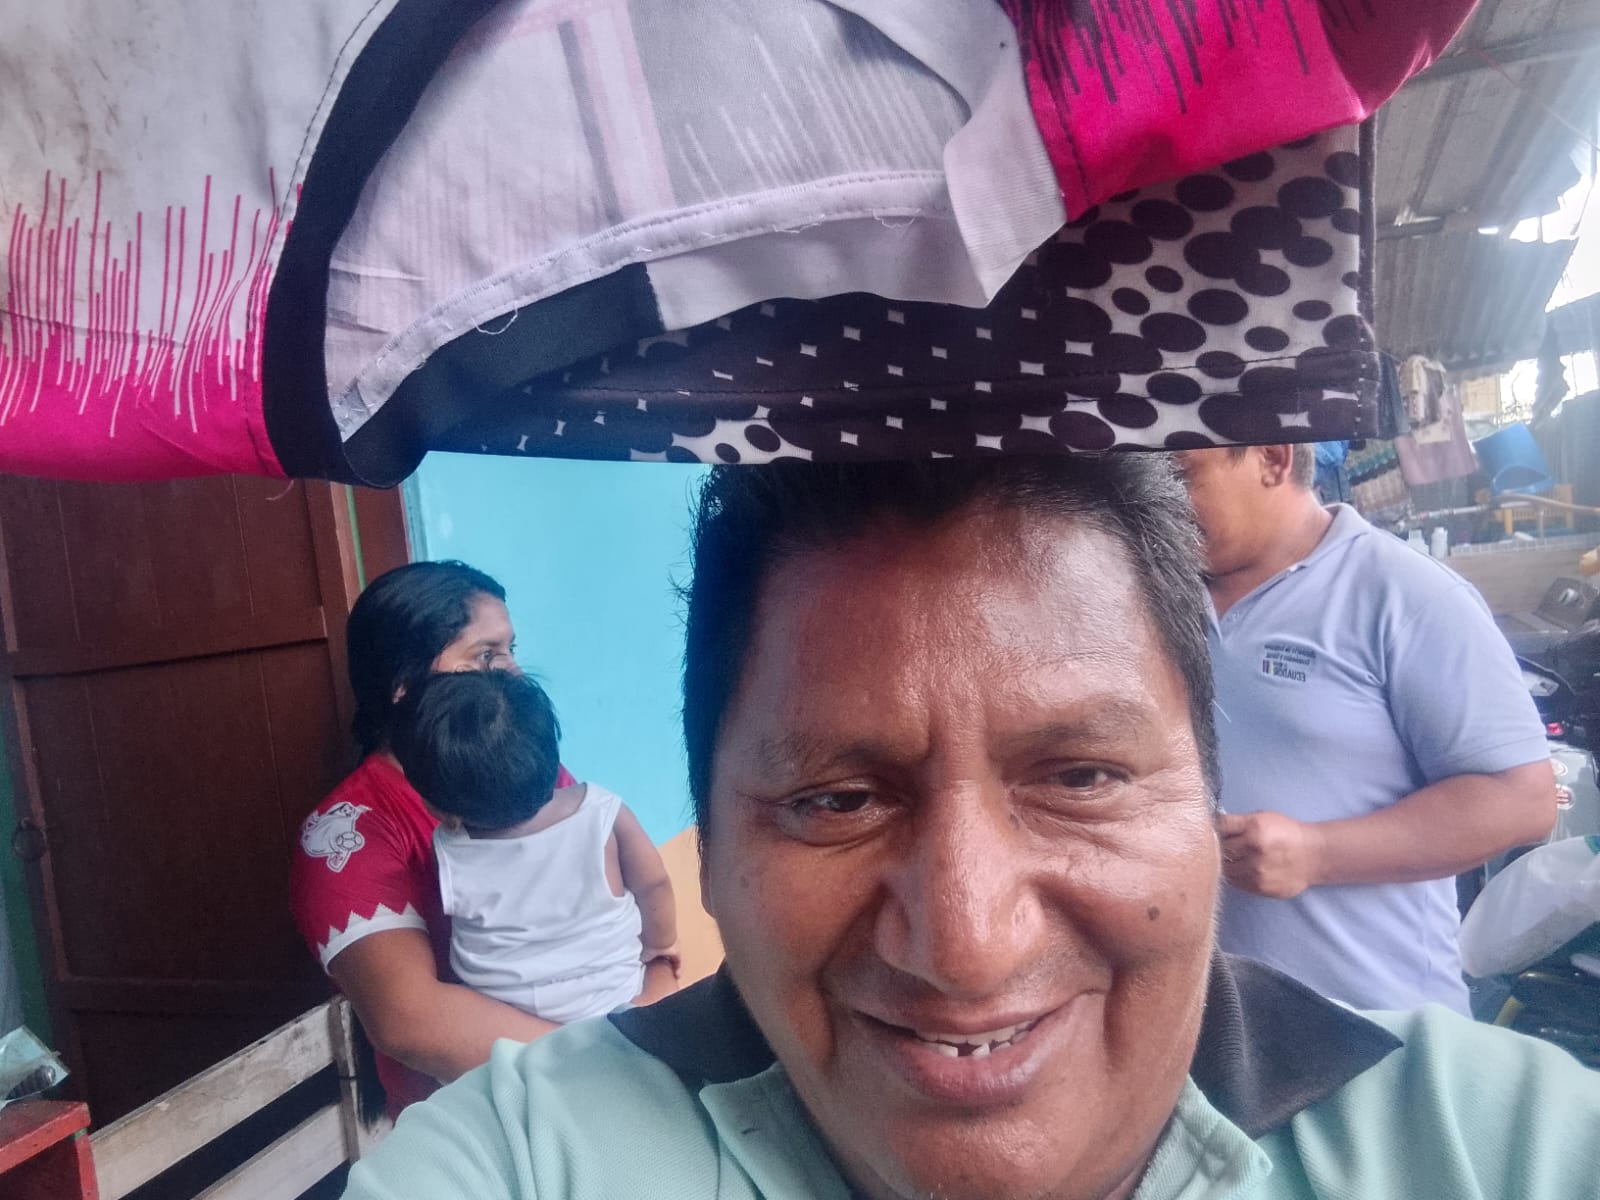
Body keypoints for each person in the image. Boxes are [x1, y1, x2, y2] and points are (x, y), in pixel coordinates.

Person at [344, 458, 1599, 1200]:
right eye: (837, 801)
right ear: (712, 850)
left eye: (1081, 778)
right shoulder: (528, 1162)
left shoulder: (1487, 1148)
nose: (967, 943)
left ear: (1202, 803)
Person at [1177, 444, 1556, 1013]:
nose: (1156, 501)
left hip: (1377, 1025)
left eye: (1180, 476)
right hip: (1207, 1025)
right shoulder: (1159, 598)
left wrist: (1316, 853)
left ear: (1273, 459)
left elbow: (1523, 800)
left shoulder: (1405, 594)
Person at [290, 561, 578, 1117]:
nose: (513, 674)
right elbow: (411, 1020)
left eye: (511, 650)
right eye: (486, 656)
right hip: (474, 1129)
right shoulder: (348, 834)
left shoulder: (522, 772)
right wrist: (613, 1061)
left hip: (591, 1088)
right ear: (404, 686)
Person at [389, 670, 679, 1022]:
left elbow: (455, 934)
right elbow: (654, 884)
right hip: (617, 1004)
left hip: (510, 1027)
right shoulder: (602, 812)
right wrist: (659, 946)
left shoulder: (448, 848)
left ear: (443, 812)